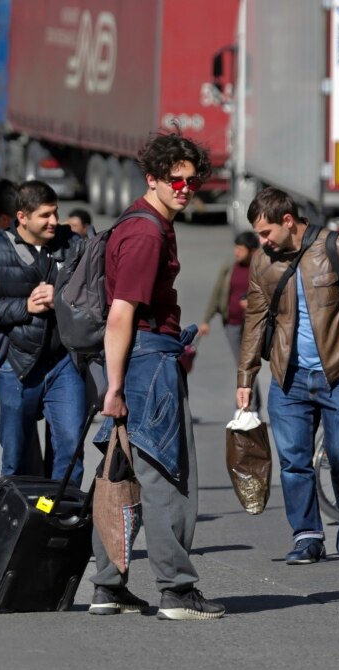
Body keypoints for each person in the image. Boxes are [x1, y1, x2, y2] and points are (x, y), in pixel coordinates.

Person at [88, 132, 224, 621]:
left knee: (119, 475)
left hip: (138, 361)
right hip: (146, 363)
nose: (186, 188)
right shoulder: (146, 233)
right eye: (176, 180)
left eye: (192, 180)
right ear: (153, 178)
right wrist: (116, 388)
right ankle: (177, 591)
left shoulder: (142, 221)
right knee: (168, 477)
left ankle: (108, 587)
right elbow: (121, 313)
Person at [237, 187, 339, 563]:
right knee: (293, 461)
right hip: (288, 376)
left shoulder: (336, 248)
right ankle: (307, 536)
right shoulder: (262, 261)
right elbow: (255, 319)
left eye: (266, 232)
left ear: (288, 221)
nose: (262, 242)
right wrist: (245, 377)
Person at [0, 180, 86, 483]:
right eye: (45, 215)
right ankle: (17, 522)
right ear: (22, 217)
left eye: (55, 213)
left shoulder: (74, 246)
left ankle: (57, 518)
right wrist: (24, 306)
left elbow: (97, 293)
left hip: (64, 363)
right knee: (16, 458)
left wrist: (59, 295)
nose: (54, 222)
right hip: (17, 365)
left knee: (70, 450)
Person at [198, 231, 261, 409]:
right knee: (243, 365)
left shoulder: (261, 268)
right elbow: (217, 292)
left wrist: (253, 304)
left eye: (241, 249)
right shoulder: (230, 266)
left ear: (253, 251)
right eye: (236, 248)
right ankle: (250, 407)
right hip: (231, 324)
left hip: (253, 326)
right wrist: (206, 320)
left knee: (246, 365)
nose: (237, 252)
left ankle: (248, 408)